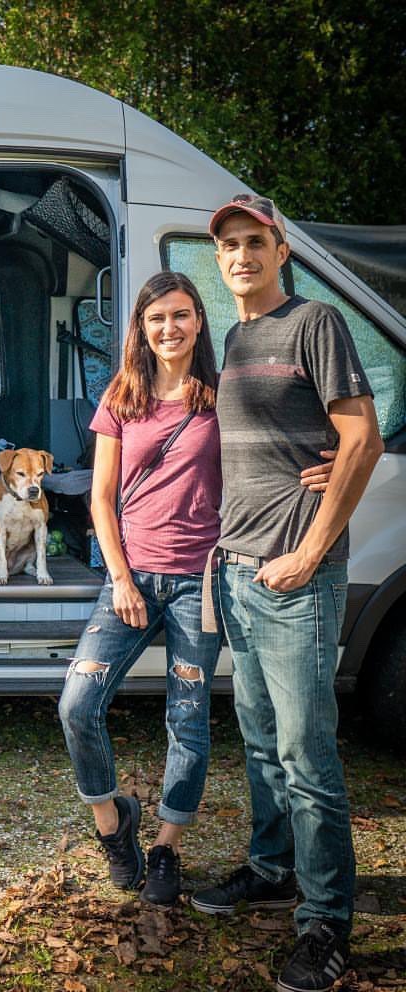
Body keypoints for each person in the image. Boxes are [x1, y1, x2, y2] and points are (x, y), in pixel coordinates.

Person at [57, 271, 331, 906]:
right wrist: (119, 577)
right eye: (157, 319)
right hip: (131, 578)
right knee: (77, 704)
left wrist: (332, 460)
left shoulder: (219, 397)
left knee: (188, 720)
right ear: (142, 329)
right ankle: (114, 826)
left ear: (198, 322)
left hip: (198, 581)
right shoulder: (121, 397)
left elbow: (277, 439)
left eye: (181, 316)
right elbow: (100, 497)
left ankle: (165, 851)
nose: (169, 328)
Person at [190, 194, 383, 992]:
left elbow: (363, 435)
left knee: (308, 756)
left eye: (254, 242)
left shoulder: (316, 323)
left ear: (280, 252)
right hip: (236, 569)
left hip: (293, 574)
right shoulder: (234, 338)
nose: (240, 255)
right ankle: (272, 870)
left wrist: (309, 550)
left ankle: (326, 921)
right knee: (264, 744)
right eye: (229, 245)